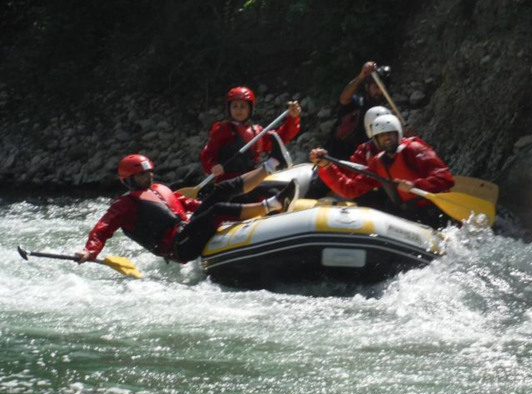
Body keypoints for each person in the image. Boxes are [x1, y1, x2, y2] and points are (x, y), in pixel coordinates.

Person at [75, 154, 298, 264]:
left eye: (149, 172)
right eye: (142, 175)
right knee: (218, 209)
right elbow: (102, 229)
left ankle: (271, 164)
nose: (148, 177)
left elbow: (192, 205)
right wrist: (89, 251)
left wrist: (221, 213)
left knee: (221, 191)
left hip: (188, 230)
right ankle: (274, 205)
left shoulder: (160, 189)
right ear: (128, 180)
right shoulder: (125, 205)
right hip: (179, 248)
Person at [310, 114, 455, 228]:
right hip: (409, 214)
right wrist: (327, 167)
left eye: (390, 134)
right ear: (375, 140)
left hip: (432, 211)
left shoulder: (415, 149)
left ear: (398, 134)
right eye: (381, 136)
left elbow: (445, 178)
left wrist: (415, 185)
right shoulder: (378, 162)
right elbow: (351, 189)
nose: (386, 138)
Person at [200, 86, 301, 200]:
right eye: (235, 106)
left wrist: (293, 119)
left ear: (250, 109)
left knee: (282, 188)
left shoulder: (256, 131)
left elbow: (281, 137)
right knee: (271, 193)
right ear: (229, 109)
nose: (238, 110)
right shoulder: (222, 130)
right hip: (229, 184)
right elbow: (207, 155)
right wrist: (213, 166)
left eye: (243, 106)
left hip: (251, 179)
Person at [324, 61, 390, 159]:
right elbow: (344, 98)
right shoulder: (357, 102)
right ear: (367, 87)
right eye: (376, 87)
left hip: (360, 161)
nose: (380, 92)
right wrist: (361, 76)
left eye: (383, 88)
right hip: (336, 157)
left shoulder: (385, 114)